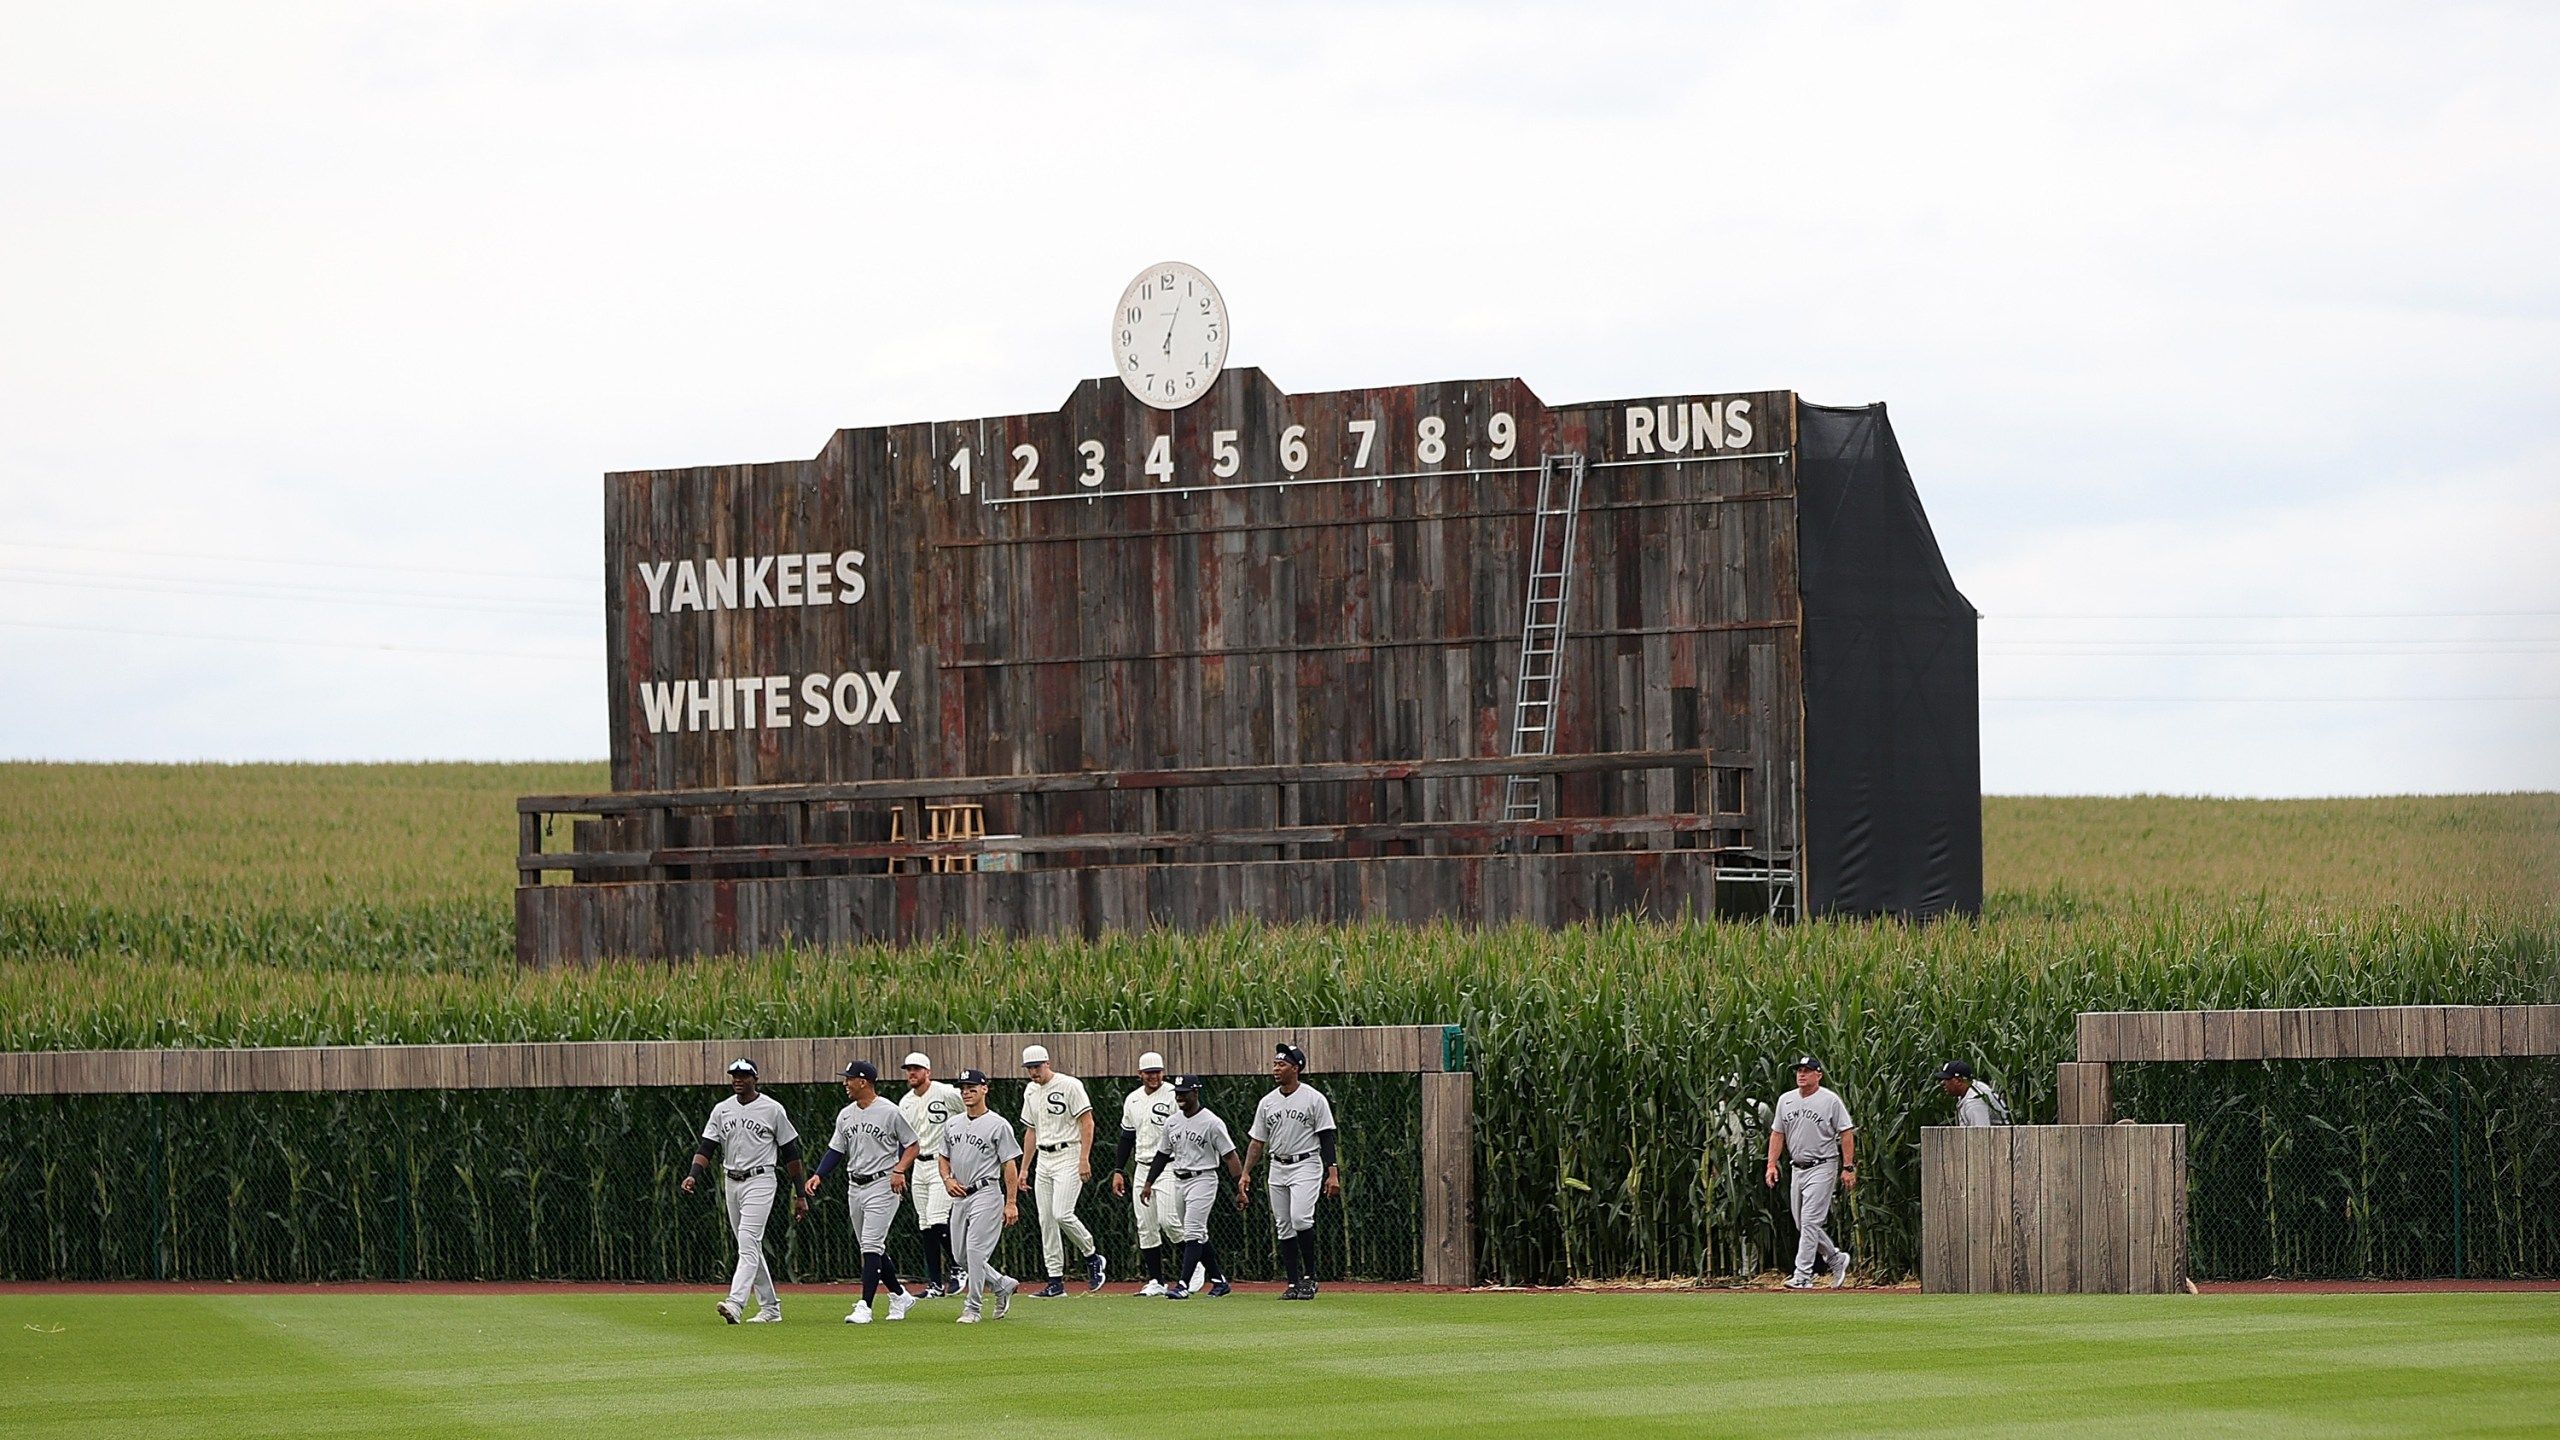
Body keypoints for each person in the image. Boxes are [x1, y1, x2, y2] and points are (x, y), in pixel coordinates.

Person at [681, 1057, 808, 1323]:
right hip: (731, 1180)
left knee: (748, 1240)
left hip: (760, 1179)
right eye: (734, 1075)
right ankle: (771, 1308)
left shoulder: (772, 1109)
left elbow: (791, 1154)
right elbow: (707, 1147)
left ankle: (735, 1303)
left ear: (755, 1078)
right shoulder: (722, 1109)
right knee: (748, 1244)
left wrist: (800, 1194)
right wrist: (693, 1175)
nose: (738, 1079)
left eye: (744, 1075)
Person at [806, 1059, 920, 1324]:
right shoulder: (846, 1114)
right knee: (872, 1248)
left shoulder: (889, 1111)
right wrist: (818, 1175)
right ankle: (900, 1295)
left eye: (849, 1078)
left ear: (863, 1081)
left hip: (883, 1183)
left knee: (870, 1244)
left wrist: (899, 1169)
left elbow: (912, 1144)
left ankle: (864, 1306)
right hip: (855, 1185)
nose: (845, 1083)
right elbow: (836, 1149)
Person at [1244, 1042, 1340, 1301]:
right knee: (1283, 1226)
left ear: (1296, 1068)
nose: (1276, 1068)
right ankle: (1293, 1282)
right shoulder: (1268, 1102)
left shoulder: (1313, 1098)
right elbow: (1257, 1141)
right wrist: (1245, 1173)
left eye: (1282, 1064)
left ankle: (1310, 1278)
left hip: (1306, 1163)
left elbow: (1326, 1137)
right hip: (1277, 1165)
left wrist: (1333, 1173)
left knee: (1300, 1219)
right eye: (1275, 1064)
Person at [1142, 1074, 1244, 1299]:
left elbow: (1230, 1156)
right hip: (1179, 1180)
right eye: (1177, 1093)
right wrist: (1149, 1183)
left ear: (1196, 1092)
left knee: (1192, 1233)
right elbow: (1162, 1154)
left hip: (1203, 1179)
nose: (1180, 1097)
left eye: (1184, 1093)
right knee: (1199, 1234)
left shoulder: (1212, 1122)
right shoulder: (1172, 1121)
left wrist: (1240, 1188)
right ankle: (1219, 1280)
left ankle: (1182, 1285)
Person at [1017, 1044, 1105, 1297]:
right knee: (1046, 1220)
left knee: (1062, 1213)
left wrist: (1084, 1158)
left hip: (1069, 1153)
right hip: (1044, 1158)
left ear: (1047, 1063)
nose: (1033, 1072)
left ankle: (1092, 1255)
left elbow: (1086, 1121)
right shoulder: (1031, 1091)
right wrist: (1025, 1169)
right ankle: (1055, 1281)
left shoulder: (1069, 1085)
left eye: (1037, 1066)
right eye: (1029, 1068)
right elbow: (1031, 1131)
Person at [937, 1068, 1023, 1324]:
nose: (966, 1092)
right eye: (963, 1088)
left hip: (986, 1191)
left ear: (985, 1089)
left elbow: (1009, 1164)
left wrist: (1011, 1202)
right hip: (959, 1194)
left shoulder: (998, 1124)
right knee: (959, 1255)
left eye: (972, 1087)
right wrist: (947, 1179)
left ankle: (972, 1307)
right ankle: (1001, 1283)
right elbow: (943, 1157)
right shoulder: (952, 1123)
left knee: (975, 1251)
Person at [1763, 1055, 1855, 1290]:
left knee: (1811, 1221)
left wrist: (1848, 1167)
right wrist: (1771, 1164)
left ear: (1819, 1075)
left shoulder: (1830, 1100)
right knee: (1802, 1223)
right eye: (1799, 1071)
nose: (1801, 1074)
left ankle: (1803, 1275)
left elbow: (1846, 1132)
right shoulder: (1786, 1100)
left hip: (1823, 1164)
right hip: (1798, 1167)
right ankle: (1835, 1258)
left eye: (1807, 1070)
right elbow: (1777, 1133)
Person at [1110, 1051, 1181, 1295]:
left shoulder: (1173, 1095)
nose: (1154, 1076)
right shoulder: (1132, 1099)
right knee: (1146, 1226)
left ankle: (1194, 1269)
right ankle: (1157, 1281)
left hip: (1170, 1165)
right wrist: (1119, 1170)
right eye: (1149, 1072)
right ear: (1140, 1074)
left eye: (1158, 1072)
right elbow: (1127, 1137)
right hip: (1142, 1166)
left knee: (1169, 1221)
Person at [897, 1052, 964, 1296]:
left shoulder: (945, 1093)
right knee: (925, 1224)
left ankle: (958, 1267)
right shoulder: (905, 1102)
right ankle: (934, 1283)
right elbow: (904, 1139)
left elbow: (971, 1109)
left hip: (942, 1164)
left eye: (916, 1069)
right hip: (919, 1165)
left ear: (928, 1071)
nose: (911, 1073)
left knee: (937, 1217)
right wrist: (899, 1168)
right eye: (908, 1069)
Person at [1934, 1060, 2010, 1127]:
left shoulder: (1974, 1102)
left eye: (1947, 1079)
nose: (1942, 1083)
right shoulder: (1974, 1087)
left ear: (1958, 1080)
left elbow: (1981, 1135)